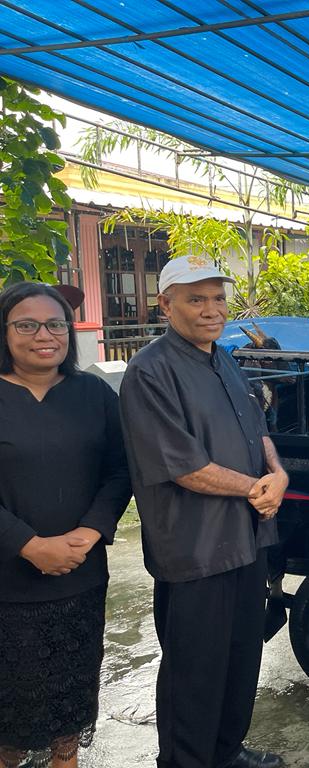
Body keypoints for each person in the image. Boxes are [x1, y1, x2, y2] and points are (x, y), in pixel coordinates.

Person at [118, 256, 289, 768]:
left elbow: (257, 432)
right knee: (194, 670)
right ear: (166, 305)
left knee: (242, 656)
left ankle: (226, 751)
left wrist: (278, 474)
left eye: (218, 298)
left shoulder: (225, 360)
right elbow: (181, 466)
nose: (211, 309)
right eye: (196, 299)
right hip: (195, 547)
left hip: (247, 538)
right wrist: (256, 487)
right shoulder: (150, 371)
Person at [0, 282, 132, 768]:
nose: (44, 335)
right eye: (27, 325)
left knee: (70, 697)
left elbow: (121, 470)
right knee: (9, 709)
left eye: (55, 324)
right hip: (7, 583)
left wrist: (91, 531)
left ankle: (65, 759)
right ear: (4, 331)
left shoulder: (93, 393)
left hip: (80, 576)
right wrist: (28, 544)